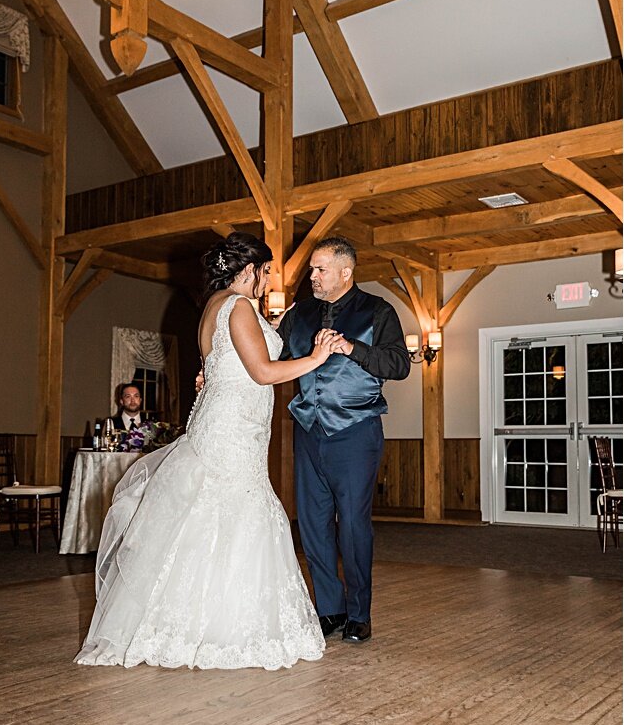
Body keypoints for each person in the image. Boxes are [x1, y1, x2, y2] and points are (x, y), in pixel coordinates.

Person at [77, 234, 349, 670]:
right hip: (233, 428)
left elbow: (226, 365)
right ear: (250, 269)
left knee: (209, 513)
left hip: (229, 420)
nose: (266, 282)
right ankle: (224, 630)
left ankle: (182, 623)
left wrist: (276, 331)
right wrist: (317, 357)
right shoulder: (239, 306)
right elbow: (261, 372)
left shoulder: (215, 306)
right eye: (265, 272)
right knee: (237, 511)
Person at [278, 237, 411, 646]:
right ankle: (329, 610)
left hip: (355, 431)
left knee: (352, 525)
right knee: (314, 526)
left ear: (346, 273)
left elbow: (399, 365)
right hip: (308, 430)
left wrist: (352, 347)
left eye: (320, 270)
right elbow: (269, 358)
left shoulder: (377, 311)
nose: (312, 277)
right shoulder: (298, 314)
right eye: (312, 269)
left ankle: (358, 613)